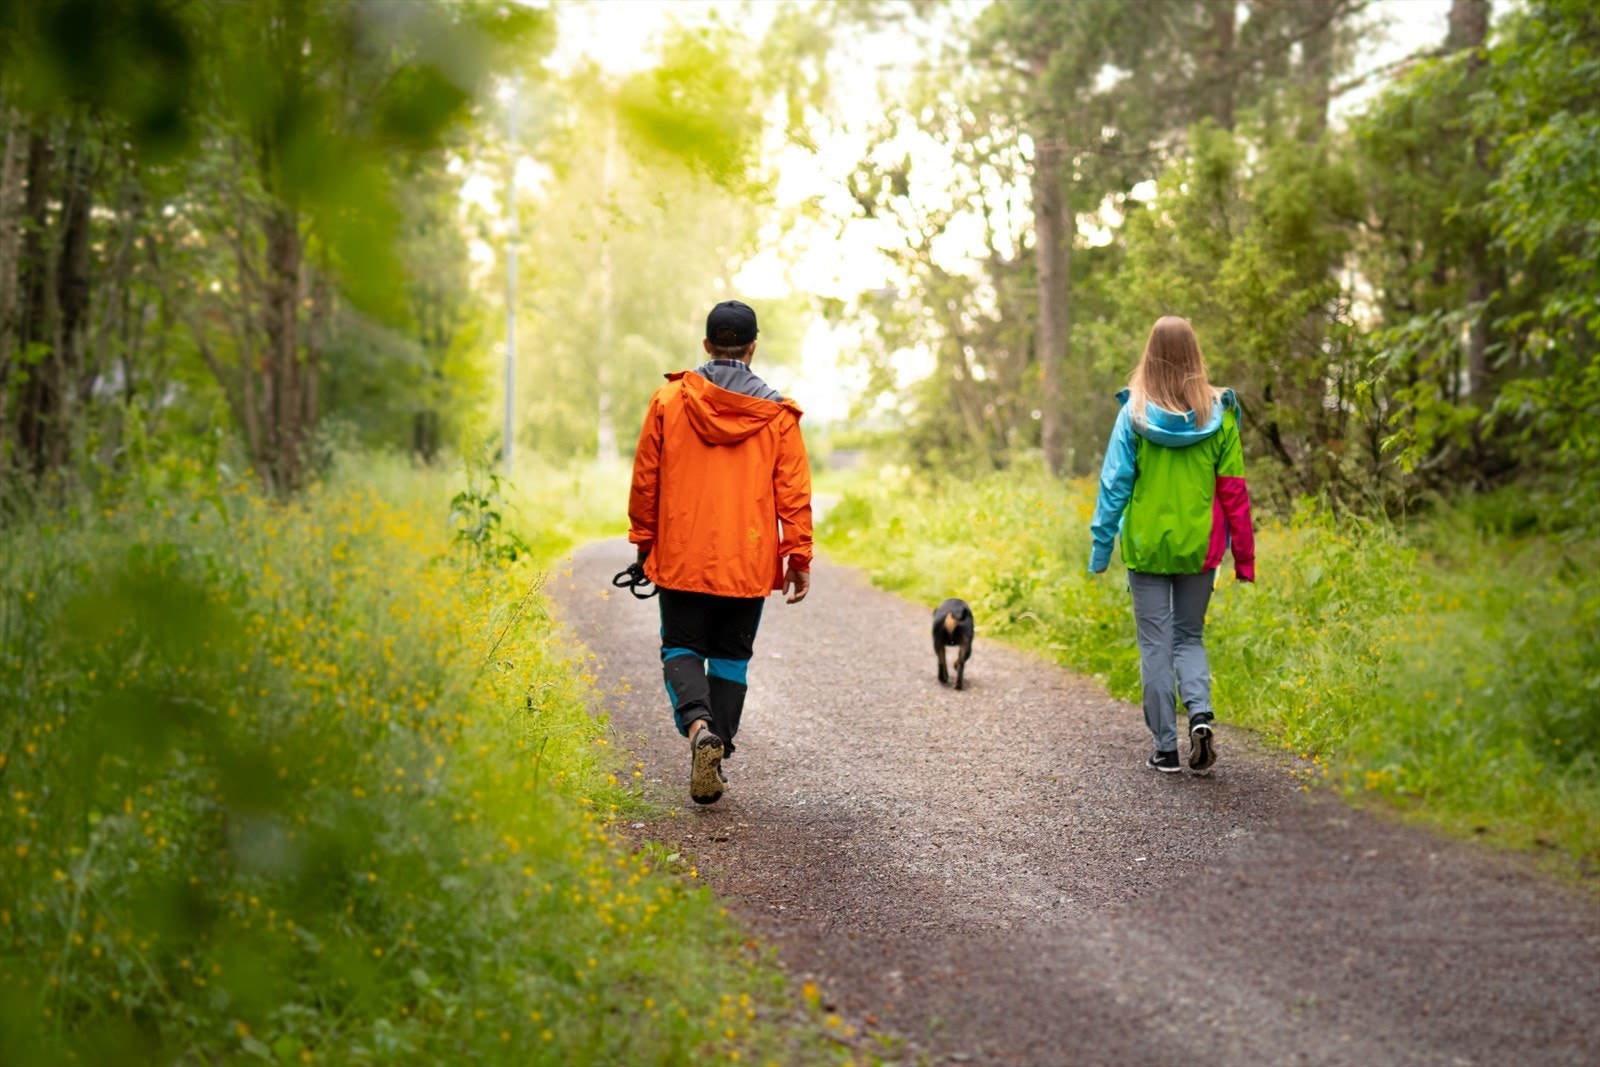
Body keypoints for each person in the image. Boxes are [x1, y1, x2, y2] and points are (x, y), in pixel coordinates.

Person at [627, 299, 813, 805]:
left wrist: (644, 543)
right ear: (753, 348)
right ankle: (718, 749)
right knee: (731, 657)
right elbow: (794, 493)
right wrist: (798, 557)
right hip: (746, 561)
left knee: (681, 648)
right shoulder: (778, 416)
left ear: (707, 345)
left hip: (681, 554)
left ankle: (699, 731)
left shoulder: (669, 400)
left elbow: (645, 481)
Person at [1088, 316, 1255, 774]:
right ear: (1194, 355)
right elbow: (1234, 493)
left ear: (1150, 355)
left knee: (1155, 646)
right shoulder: (1220, 417)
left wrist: (1100, 550)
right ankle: (1199, 715)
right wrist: (1244, 558)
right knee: (1188, 637)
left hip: (1146, 549)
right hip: (1199, 549)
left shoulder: (1133, 415)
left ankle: (1166, 749)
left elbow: (1114, 486)